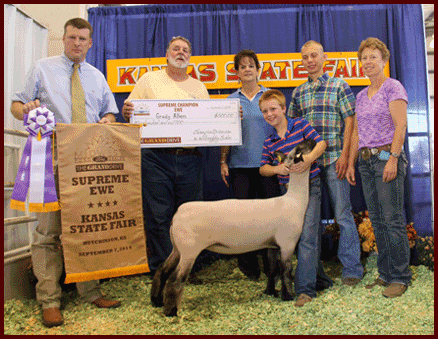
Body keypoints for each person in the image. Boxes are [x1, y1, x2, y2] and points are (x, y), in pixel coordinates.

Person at [11, 18, 121, 328]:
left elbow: (108, 111)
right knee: (48, 232)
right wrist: (26, 110)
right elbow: (16, 106)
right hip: (50, 153)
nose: (76, 42)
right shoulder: (42, 68)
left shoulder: (97, 77)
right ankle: (49, 300)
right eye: (72, 37)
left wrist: (108, 121)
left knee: (87, 227)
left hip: (86, 158)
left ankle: (91, 292)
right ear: (64, 38)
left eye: (82, 38)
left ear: (90, 43)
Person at [122, 36, 210, 274]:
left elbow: (209, 122)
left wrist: (229, 119)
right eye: (176, 49)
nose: (180, 52)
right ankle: (162, 269)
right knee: (158, 216)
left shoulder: (198, 87)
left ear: (190, 56)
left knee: (191, 215)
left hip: (189, 157)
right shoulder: (149, 79)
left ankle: (188, 267)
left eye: (185, 50)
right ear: (167, 53)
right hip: (155, 158)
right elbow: (130, 111)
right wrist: (127, 110)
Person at [287, 40, 364, 286]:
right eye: (305, 57)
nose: (310, 60)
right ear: (302, 61)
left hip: (333, 161)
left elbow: (350, 122)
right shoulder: (298, 92)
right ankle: (314, 273)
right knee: (309, 220)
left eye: (314, 55)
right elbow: (292, 128)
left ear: (324, 58)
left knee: (342, 214)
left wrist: (345, 156)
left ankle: (352, 269)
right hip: (308, 166)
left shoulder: (339, 86)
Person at [346, 37, 411, 298]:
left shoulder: (392, 87)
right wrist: (350, 162)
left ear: (384, 61)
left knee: (393, 219)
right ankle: (385, 274)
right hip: (365, 161)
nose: (368, 62)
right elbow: (356, 132)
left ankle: (400, 276)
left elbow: (401, 126)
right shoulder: (361, 96)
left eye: (374, 57)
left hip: (386, 157)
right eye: (364, 58)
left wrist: (394, 158)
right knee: (377, 220)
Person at [259, 89, 329, 307]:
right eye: (265, 111)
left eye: (273, 109)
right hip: (287, 193)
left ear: (283, 109)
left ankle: (304, 290)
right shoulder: (269, 141)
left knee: (308, 235)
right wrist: (277, 169)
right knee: (303, 236)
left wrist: (308, 159)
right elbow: (263, 169)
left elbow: (322, 143)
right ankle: (318, 279)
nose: (270, 114)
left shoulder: (300, 125)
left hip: (310, 186)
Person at [219, 50, 281, 280]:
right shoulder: (230, 101)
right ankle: (248, 266)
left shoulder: (270, 97)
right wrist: (223, 160)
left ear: (258, 70)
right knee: (243, 219)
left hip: (268, 166)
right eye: (242, 66)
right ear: (236, 72)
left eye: (251, 66)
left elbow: (281, 128)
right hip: (239, 166)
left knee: (270, 218)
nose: (247, 69)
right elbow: (224, 135)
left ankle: (272, 266)